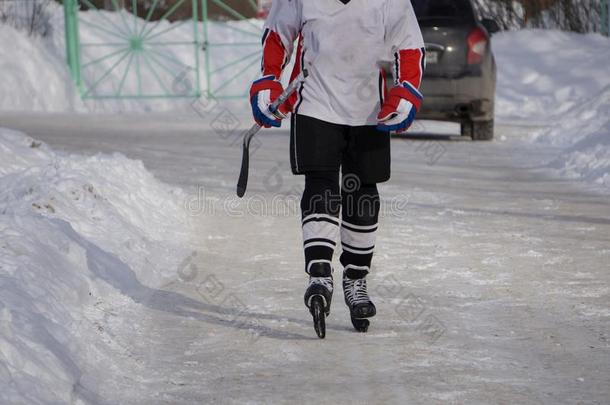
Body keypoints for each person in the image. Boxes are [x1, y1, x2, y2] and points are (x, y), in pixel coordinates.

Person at [249, 0, 425, 337]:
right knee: (321, 185)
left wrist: (406, 91)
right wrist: (269, 80)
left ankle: (356, 279)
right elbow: (277, 36)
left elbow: (410, 47)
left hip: (369, 110)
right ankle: (319, 275)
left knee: (363, 194)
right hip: (314, 103)